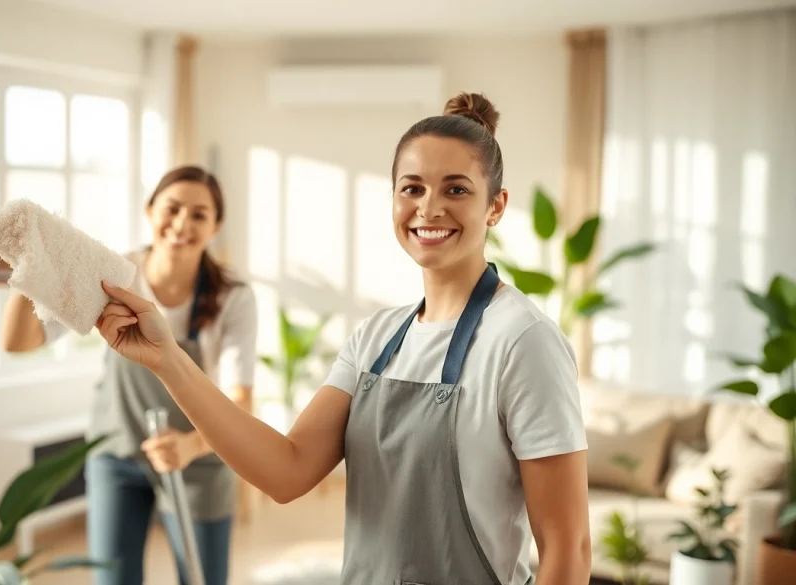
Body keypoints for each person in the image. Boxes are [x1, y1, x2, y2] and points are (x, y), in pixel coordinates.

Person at [93, 93, 592, 585]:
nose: (429, 208)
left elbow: (569, 549)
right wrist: (168, 361)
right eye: (412, 188)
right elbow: (285, 472)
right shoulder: (376, 339)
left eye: (456, 190)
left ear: (496, 206)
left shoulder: (523, 342)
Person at [1, 165, 258, 585]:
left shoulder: (234, 297)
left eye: (199, 215)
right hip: (117, 451)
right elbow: (18, 342)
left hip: (198, 458)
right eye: (171, 209)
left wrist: (190, 445)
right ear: (149, 210)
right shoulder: (113, 275)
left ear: (216, 226)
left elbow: (240, 400)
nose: (181, 224)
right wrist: (26, 268)